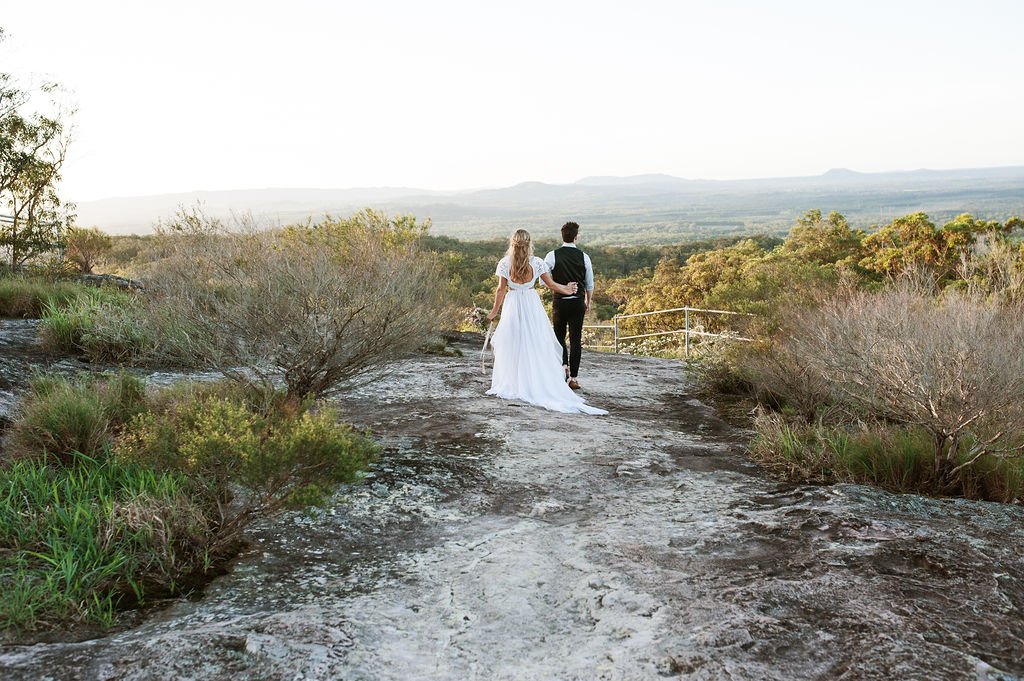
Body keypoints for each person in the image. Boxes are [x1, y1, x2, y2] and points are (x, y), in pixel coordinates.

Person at [485, 229, 607, 415]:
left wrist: (493, 312)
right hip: (531, 304)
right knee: (534, 341)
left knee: (513, 342)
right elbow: (550, 284)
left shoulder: (504, 263)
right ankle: (535, 380)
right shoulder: (537, 263)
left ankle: (516, 382)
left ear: (512, 243)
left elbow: (500, 290)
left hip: (513, 303)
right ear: (529, 244)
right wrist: (567, 290)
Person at [544, 221, 594, 390]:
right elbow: (590, 284)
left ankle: (563, 367)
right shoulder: (584, 256)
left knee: (558, 337)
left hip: (559, 303)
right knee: (575, 340)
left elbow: (543, 282)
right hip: (577, 303)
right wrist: (588, 302)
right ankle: (573, 378)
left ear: (562, 236)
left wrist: (559, 286)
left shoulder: (552, 255)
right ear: (575, 237)